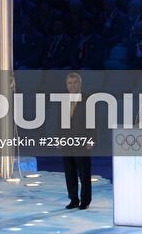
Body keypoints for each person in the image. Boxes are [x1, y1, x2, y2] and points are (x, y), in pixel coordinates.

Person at [62, 71, 92, 211]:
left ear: (80, 84)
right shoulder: (62, 100)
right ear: (66, 85)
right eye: (70, 83)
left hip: (82, 141)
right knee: (70, 173)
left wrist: (91, 141)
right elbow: (58, 122)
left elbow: (94, 123)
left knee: (84, 173)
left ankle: (85, 201)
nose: (72, 85)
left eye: (75, 83)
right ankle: (73, 199)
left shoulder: (88, 100)